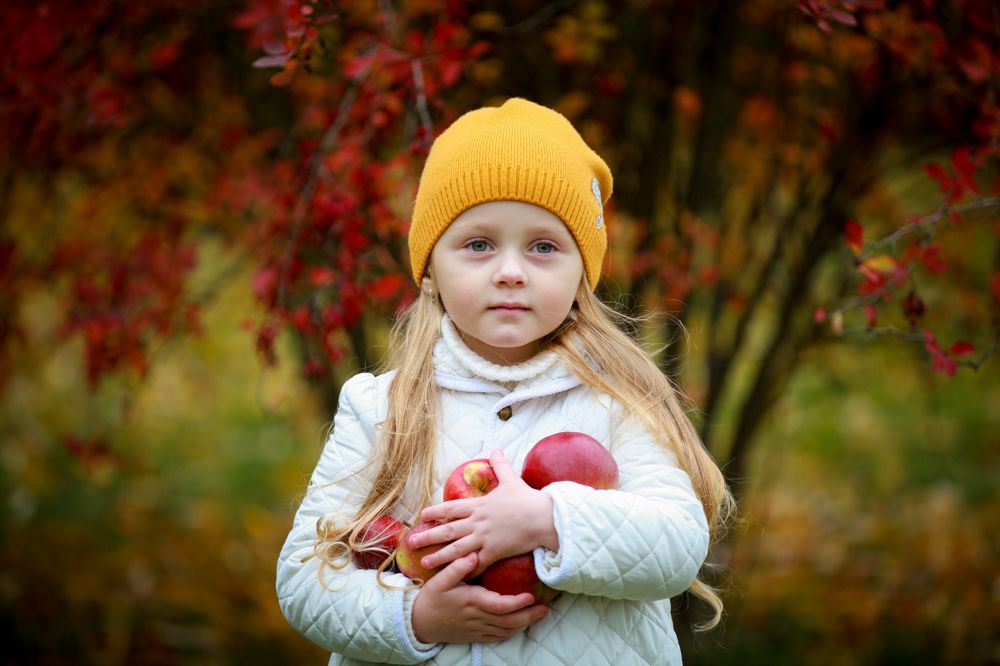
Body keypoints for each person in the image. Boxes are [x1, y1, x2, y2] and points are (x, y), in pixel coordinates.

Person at [276, 98, 733, 665]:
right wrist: (414, 617)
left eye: (544, 247)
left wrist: (546, 521)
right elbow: (305, 578)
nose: (511, 270)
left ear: (581, 274)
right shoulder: (380, 408)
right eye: (478, 244)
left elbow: (677, 547)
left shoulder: (617, 403)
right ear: (431, 271)